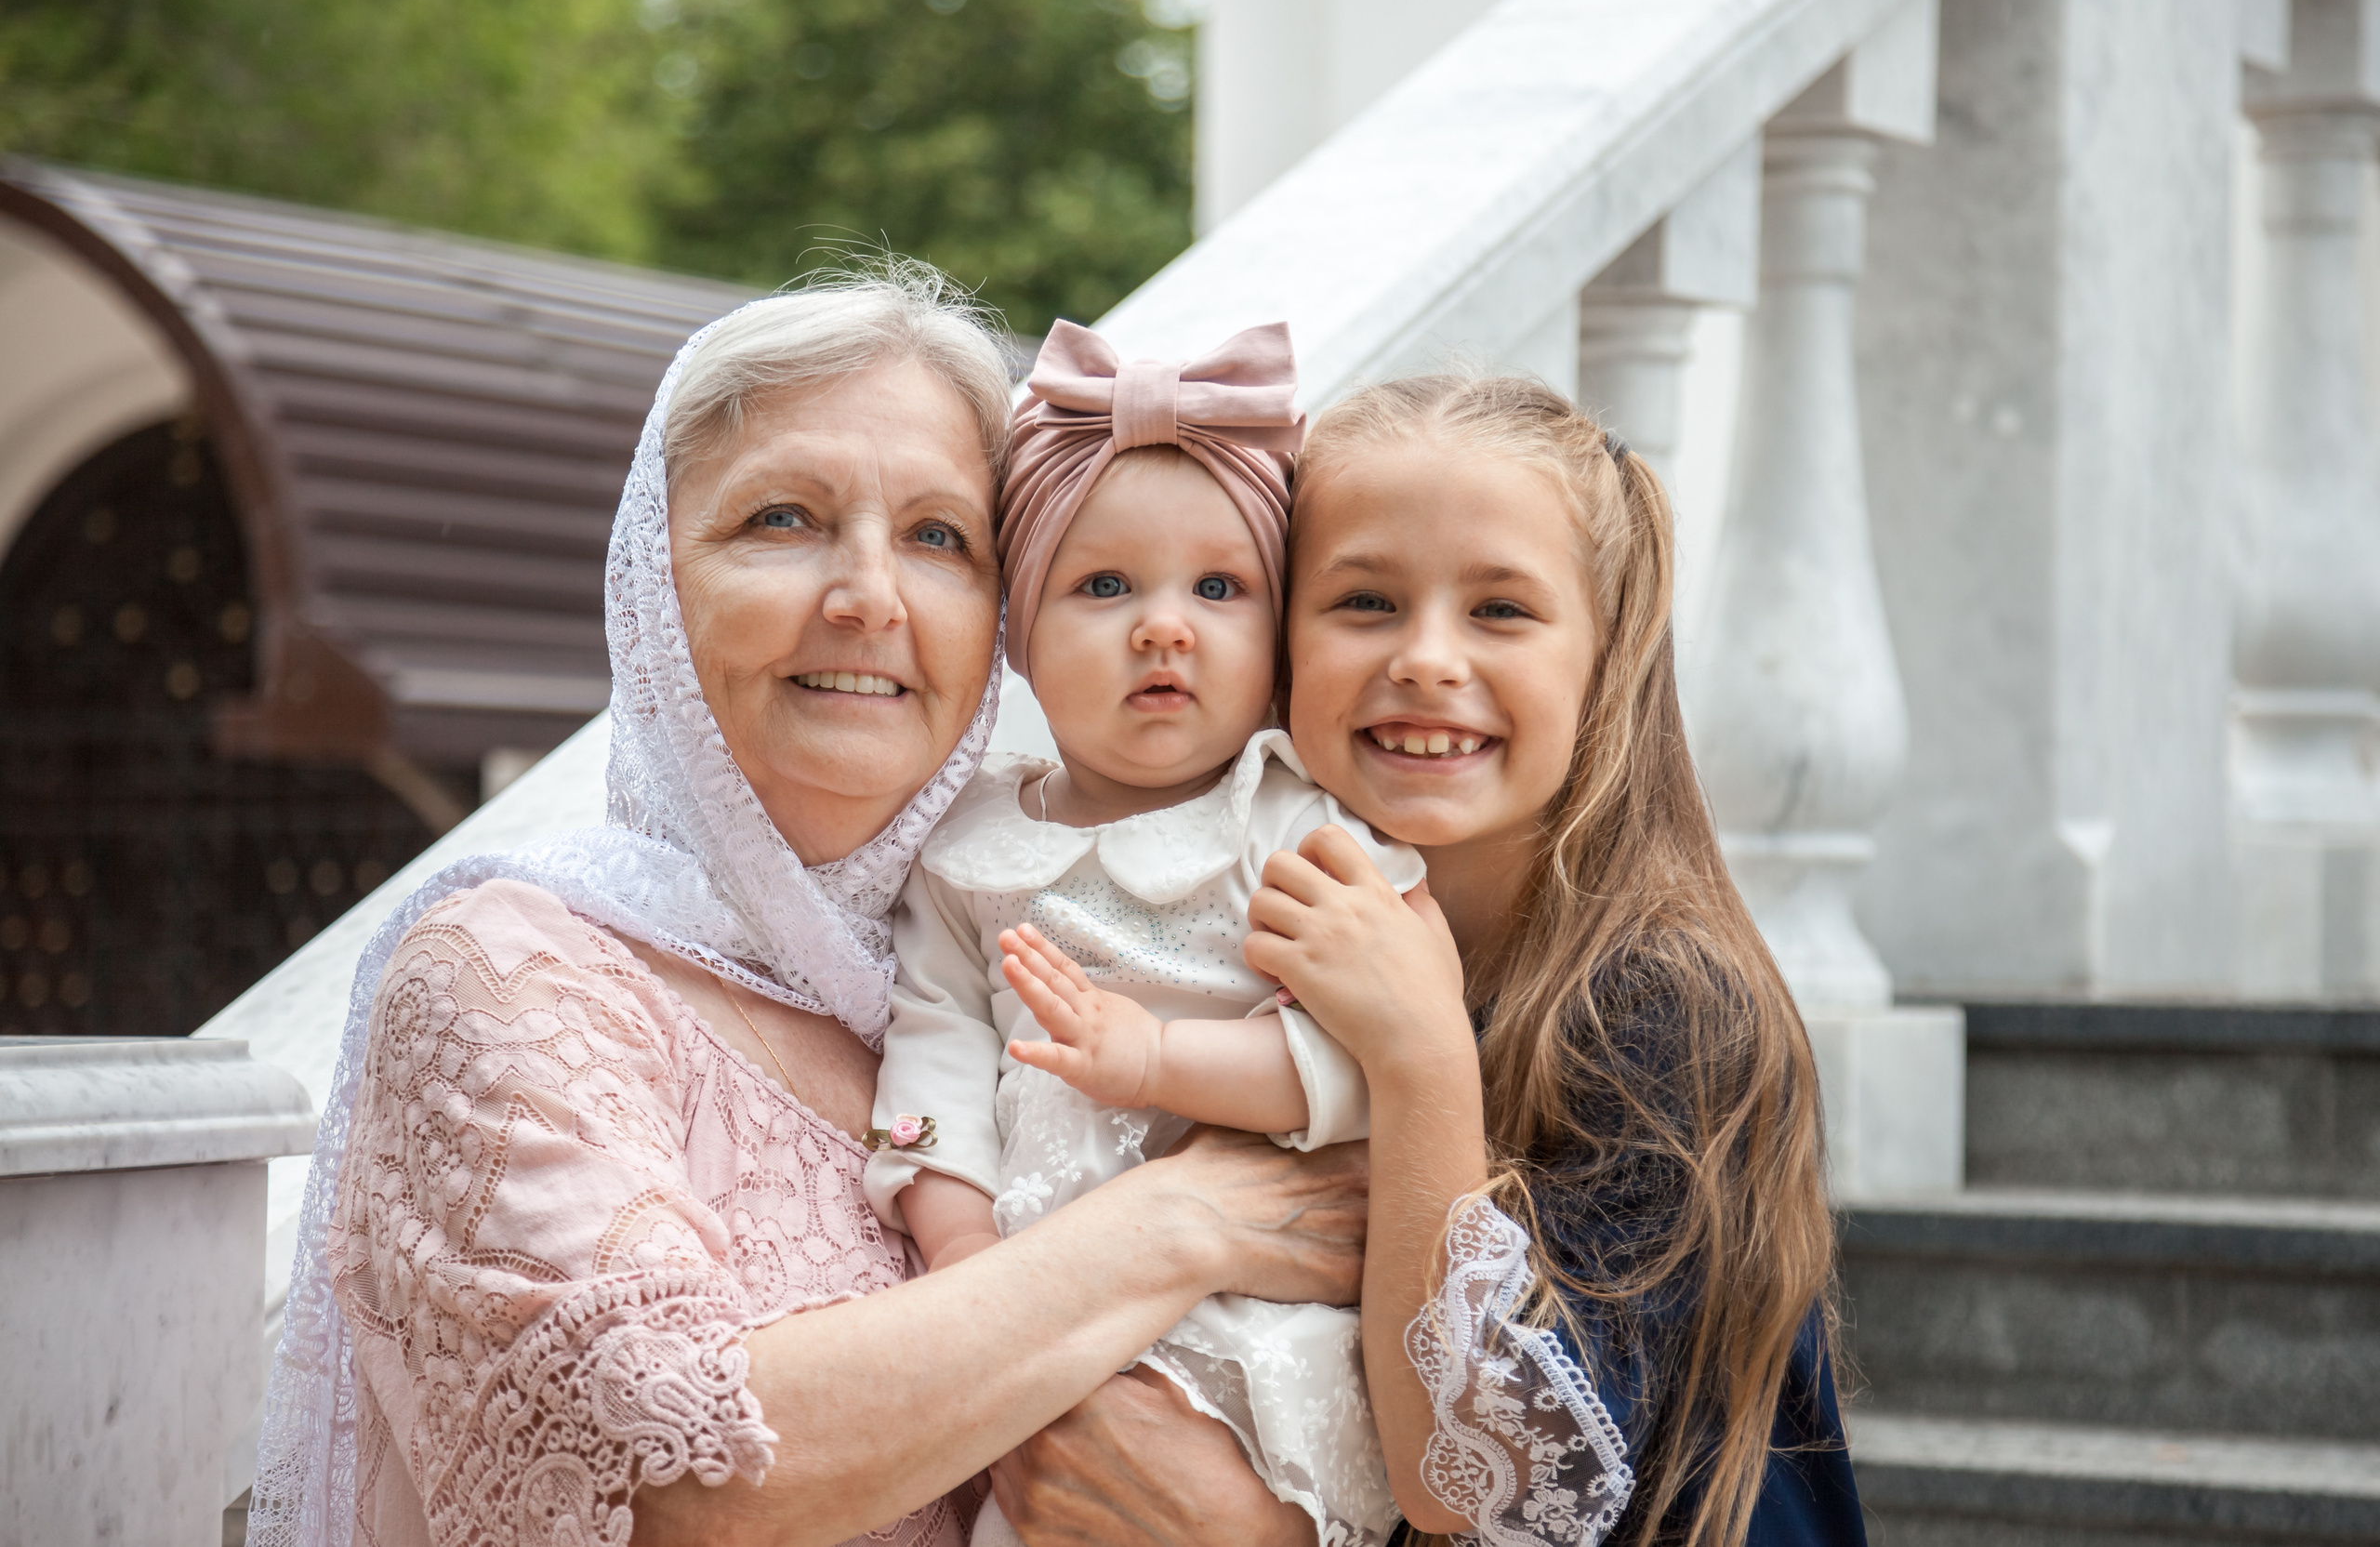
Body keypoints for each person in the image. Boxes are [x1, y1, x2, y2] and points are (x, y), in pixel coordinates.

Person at [245, 270, 1368, 1547]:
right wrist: (1179, 1222)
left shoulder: (1000, 951)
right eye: (784, 518)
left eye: (941, 537)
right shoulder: (506, 974)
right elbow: (693, 1469)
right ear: (654, 589)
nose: (871, 597)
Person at [1244, 376, 1864, 1547]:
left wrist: (1422, 1058)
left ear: (1606, 659)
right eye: (1365, 601)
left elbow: (1470, 1478)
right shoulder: (1268, 941)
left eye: (1501, 612)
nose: (1427, 658)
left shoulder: (1667, 1008)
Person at [864, 321, 1416, 1547]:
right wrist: (961, 1258)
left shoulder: (1289, 827)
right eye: (1104, 585)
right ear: (1019, 634)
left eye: (1218, 589)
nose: (1165, 626)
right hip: (1035, 1298)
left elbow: (1362, 1056)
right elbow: (927, 1058)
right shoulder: (965, 846)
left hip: (1249, 1315)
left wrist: (1166, 1064)